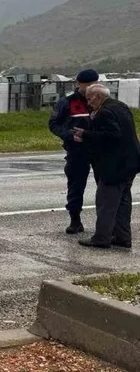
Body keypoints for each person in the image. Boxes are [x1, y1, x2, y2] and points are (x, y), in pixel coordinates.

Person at [73, 84, 140, 249]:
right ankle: (123, 237)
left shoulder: (104, 112)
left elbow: (112, 135)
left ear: (98, 97)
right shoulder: (121, 106)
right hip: (130, 162)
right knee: (123, 202)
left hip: (115, 165)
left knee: (106, 202)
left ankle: (101, 238)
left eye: (90, 99)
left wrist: (85, 135)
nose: (88, 103)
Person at [49, 69, 99, 234]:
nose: (90, 88)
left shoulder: (103, 101)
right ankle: (75, 220)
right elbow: (54, 124)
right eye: (86, 85)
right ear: (78, 84)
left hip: (100, 150)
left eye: (93, 85)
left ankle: (106, 222)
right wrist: (69, 135)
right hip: (77, 150)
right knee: (76, 185)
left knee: (105, 185)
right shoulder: (67, 102)